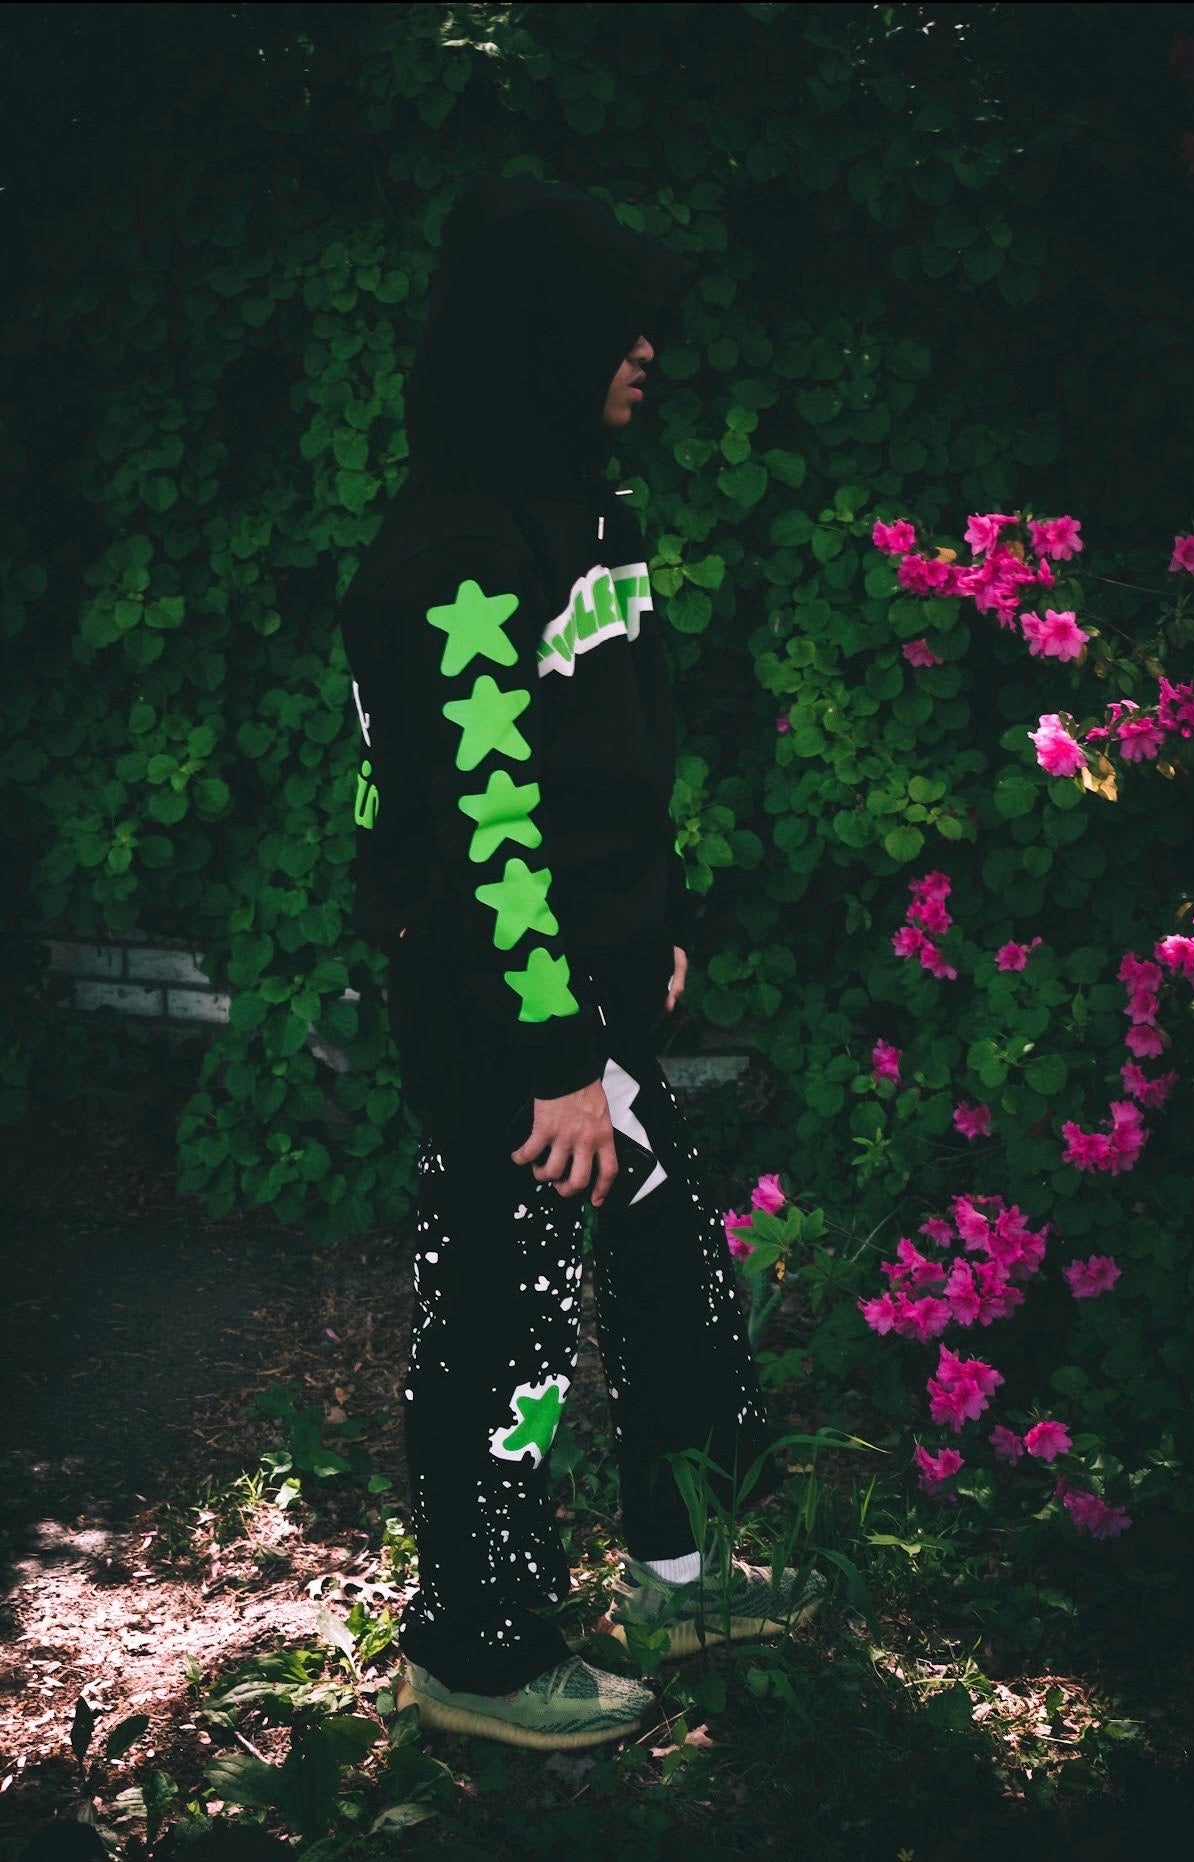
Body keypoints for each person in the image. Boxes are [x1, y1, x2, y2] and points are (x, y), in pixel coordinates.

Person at [337, 175, 824, 1753]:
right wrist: (553, 1059)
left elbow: (621, 751)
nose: (646, 351)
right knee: (511, 1327)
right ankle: (476, 1650)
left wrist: (657, 925)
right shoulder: (454, 554)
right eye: (615, 326)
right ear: (532, 342)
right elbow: (486, 838)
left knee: (675, 1282)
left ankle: (681, 1571)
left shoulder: (593, 513)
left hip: (592, 1000)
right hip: (509, 1029)